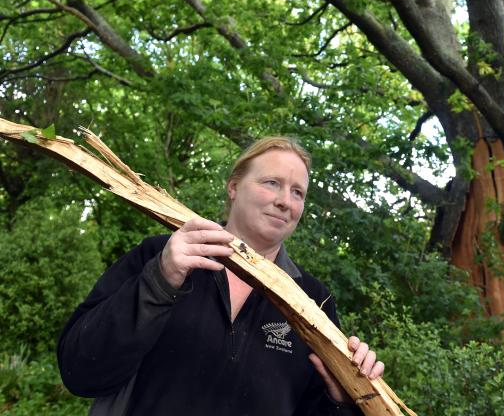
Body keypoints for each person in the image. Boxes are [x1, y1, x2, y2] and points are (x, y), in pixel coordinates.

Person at [58, 136, 384, 415]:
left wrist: (342, 400)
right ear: (233, 187)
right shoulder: (163, 255)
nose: (286, 201)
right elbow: (79, 371)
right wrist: (160, 280)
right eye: (272, 183)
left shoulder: (314, 301)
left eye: (298, 192)